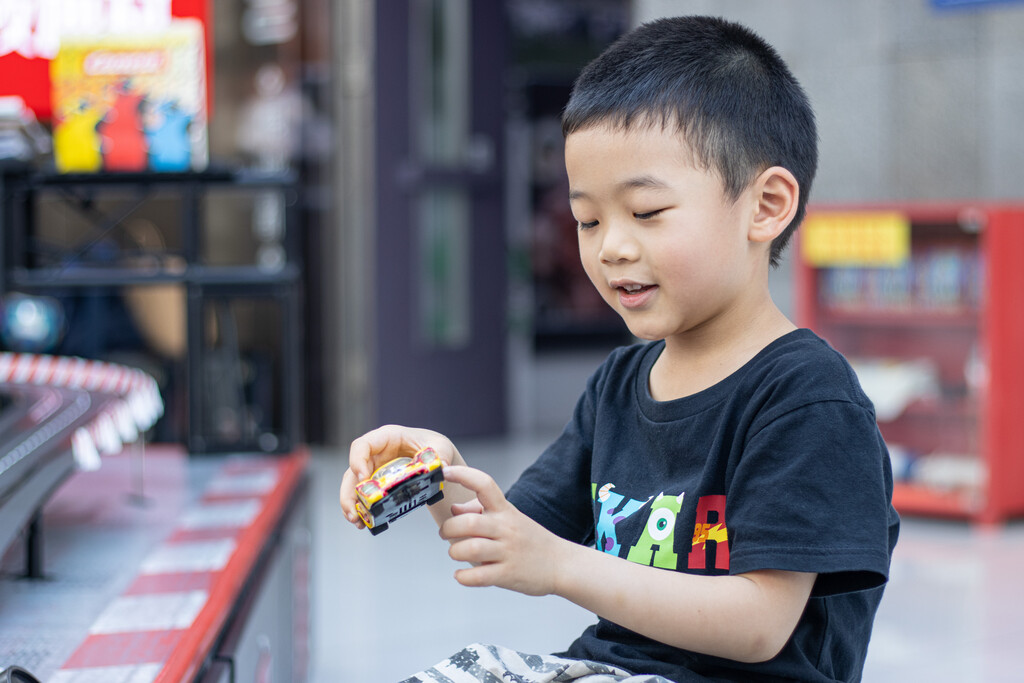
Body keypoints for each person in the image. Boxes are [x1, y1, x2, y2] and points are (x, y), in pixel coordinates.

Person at [340, 14, 899, 683]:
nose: (611, 247)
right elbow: (509, 534)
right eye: (588, 219)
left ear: (766, 205)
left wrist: (563, 565)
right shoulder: (619, 382)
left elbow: (760, 622)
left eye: (646, 212)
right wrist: (438, 471)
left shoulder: (806, 396)